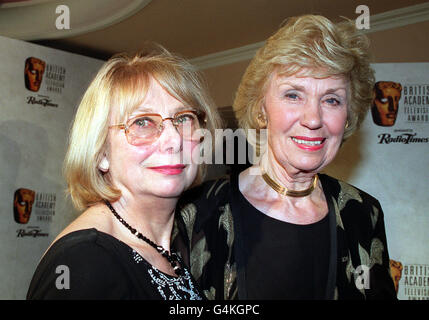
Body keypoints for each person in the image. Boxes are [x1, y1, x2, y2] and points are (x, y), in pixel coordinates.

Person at [175, 15, 397, 300]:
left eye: (332, 100)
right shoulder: (196, 213)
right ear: (261, 110)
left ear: (348, 115)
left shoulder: (363, 213)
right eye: (293, 95)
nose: (313, 119)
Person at [27, 44, 221, 299]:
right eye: (142, 122)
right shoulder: (85, 262)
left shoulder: (170, 248)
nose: (174, 139)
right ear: (102, 154)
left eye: (183, 118)